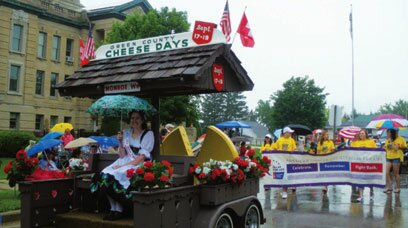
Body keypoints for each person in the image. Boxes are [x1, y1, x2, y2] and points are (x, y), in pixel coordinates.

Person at [90, 110, 154, 221]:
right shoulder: (126, 132)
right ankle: (114, 208)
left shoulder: (148, 134)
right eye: (132, 118)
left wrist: (122, 167)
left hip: (138, 164)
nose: (134, 121)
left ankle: (119, 209)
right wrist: (120, 142)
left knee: (117, 173)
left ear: (143, 119)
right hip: (124, 160)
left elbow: (141, 158)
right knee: (105, 174)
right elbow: (122, 154)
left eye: (137, 118)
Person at [350, 129, 377, 202]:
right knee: (360, 179)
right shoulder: (356, 142)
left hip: (369, 163)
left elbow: (376, 151)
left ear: (366, 134)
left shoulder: (371, 141)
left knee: (370, 179)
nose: (361, 134)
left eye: (363, 133)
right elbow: (351, 151)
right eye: (360, 133)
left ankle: (371, 193)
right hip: (360, 164)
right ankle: (361, 196)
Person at [275, 127, 297, 199]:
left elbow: (294, 148)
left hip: (289, 160)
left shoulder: (292, 140)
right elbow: (275, 148)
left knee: (288, 175)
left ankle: (288, 189)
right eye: (289, 132)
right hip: (281, 161)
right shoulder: (279, 140)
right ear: (285, 133)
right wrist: (279, 150)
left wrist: (292, 151)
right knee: (283, 176)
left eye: (290, 132)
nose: (290, 133)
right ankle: (284, 190)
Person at [383, 128, 406, 194]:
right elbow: (386, 147)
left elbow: (396, 148)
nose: (389, 134)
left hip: (396, 157)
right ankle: (388, 187)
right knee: (387, 172)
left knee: (396, 173)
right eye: (388, 132)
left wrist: (391, 142)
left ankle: (398, 187)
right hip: (388, 157)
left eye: (390, 132)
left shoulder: (401, 139)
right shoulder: (387, 139)